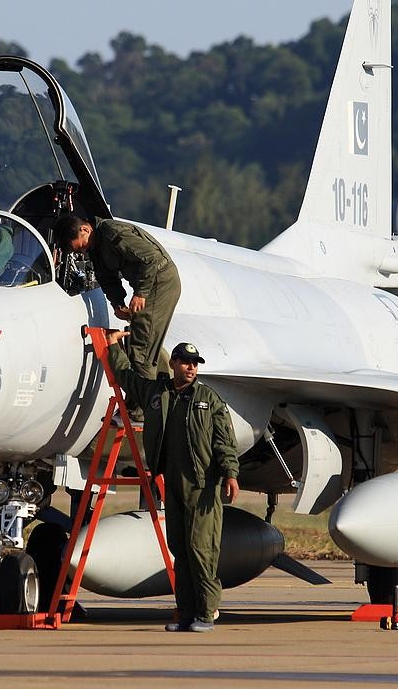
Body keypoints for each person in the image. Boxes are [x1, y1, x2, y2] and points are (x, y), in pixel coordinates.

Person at [105, 330, 239, 632]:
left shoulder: (208, 399)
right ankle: (187, 614)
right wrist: (113, 346)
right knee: (180, 548)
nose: (190, 368)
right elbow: (127, 377)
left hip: (203, 484)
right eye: (185, 362)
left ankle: (206, 614)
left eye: (195, 363)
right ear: (174, 363)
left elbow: (224, 442)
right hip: (172, 483)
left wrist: (231, 473)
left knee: (202, 550)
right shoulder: (157, 393)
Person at [56, 215, 181, 382]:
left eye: (82, 247)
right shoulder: (95, 247)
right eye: (79, 251)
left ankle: (142, 405)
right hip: (151, 283)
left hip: (160, 280)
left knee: (140, 350)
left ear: (85, 229)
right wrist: (118, 304)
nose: (83, 252)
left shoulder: (111, 232)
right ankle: (139, 399)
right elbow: (106, 277)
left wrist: (140, 294)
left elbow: (150, 258)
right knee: (137, 346)